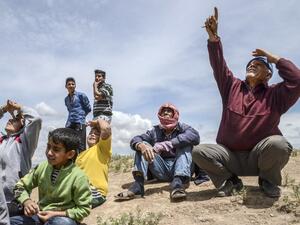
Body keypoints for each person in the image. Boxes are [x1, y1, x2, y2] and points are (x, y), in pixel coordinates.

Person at [193, 7, 300, 198]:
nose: (251, 65)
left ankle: (268, 180)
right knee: (199, 151)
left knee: (280, 144)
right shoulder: (231, 87)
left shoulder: (276, 95)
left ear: (268, 74)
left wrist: (274, 59)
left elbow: (297, 80)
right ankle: (230, 181)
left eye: (258, 64)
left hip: (258, 158)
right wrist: (214, 39)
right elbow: (219, 65)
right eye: (250, 64)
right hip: (230, 157)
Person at [116, 103, 200, 201]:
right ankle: (138, 185)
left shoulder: (182, 127)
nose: (166, 112)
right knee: (143, 145)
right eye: (163, 111)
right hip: (161, 170)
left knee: (186, 144)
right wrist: (141, 145)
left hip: (182, 167)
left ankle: (178, 184)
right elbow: (136, 139)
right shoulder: (154, 130)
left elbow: (195, 136)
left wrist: (167, 144)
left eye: (169, 111)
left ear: (175, 114)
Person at [10, 128, 91, 225]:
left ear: (70, 154)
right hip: (39, 216)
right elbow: (19, 186)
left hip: (64, 218)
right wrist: (26, 201)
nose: (49, 152)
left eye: (56, 149)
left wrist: (55, 214)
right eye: (48, 147)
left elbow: (84, 209)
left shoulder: (79, 177)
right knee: (8, 222)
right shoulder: (43, 167)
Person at [0, 100, 42, 215]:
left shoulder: (25, 141)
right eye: (11, 118)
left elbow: (36, 119)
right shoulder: (1, 140)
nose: (10, 119)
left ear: (24, 125)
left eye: (16, 119)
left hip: (14, 203)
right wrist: (4, 109)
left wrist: (18, 107)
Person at [76, 118, 112, 208]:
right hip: (80, 190)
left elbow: (106, 129)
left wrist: (97, 121)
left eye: (96, 134)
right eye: (90, 133)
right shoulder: (79, 155)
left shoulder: (102, 149)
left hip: (95, 191)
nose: (92, 134)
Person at [65, 77, 91, 153]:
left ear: (75, 86)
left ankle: (83, 164)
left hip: (80, 122)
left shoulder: (81, 95)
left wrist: (82, 117)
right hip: (69, 124)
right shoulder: (66, 99)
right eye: (69, 84)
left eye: (73, 84)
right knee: (71, 144)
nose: (71, 85)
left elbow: (88, 108)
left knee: (81, 145)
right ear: (66, 86)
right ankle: (73, 163)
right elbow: (69, 110)